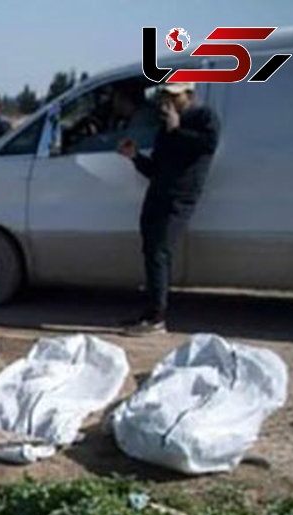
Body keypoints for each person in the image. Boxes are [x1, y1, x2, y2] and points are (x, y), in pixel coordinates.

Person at [117, 82, 219, 335]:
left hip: (179, 198)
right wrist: (135, 157)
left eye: (175, 96)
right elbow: (156, 168)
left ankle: (157, 318)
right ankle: (149, 312)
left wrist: (176, 129)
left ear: (190, 95)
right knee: (152, 252)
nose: (169, 101)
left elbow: (206, 146)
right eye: (166, 96)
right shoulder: (167, 126)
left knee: (159, 253)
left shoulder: (202, 117)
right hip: (158, 195)